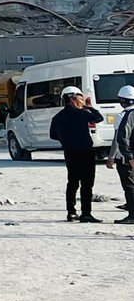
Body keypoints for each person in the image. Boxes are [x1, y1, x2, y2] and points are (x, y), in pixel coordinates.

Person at [49, 86, 103, 223]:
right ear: (73, 98)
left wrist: (66, 139)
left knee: (72, 183)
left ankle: (71, 213)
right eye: (80, 98)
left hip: (70, 152)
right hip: (85, 152)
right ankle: (86, 213)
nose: (82, 100)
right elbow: (99, 118)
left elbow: (53, 135)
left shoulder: (58, 117)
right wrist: (89, 107)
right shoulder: (83, 114)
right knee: (87, 184)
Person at [111, 85, 134, 224]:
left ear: (121, 100)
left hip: (126, 158)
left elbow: (120, 138)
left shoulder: (124, 115)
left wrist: (128, 157)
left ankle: (132, 215)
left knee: (130, 186)